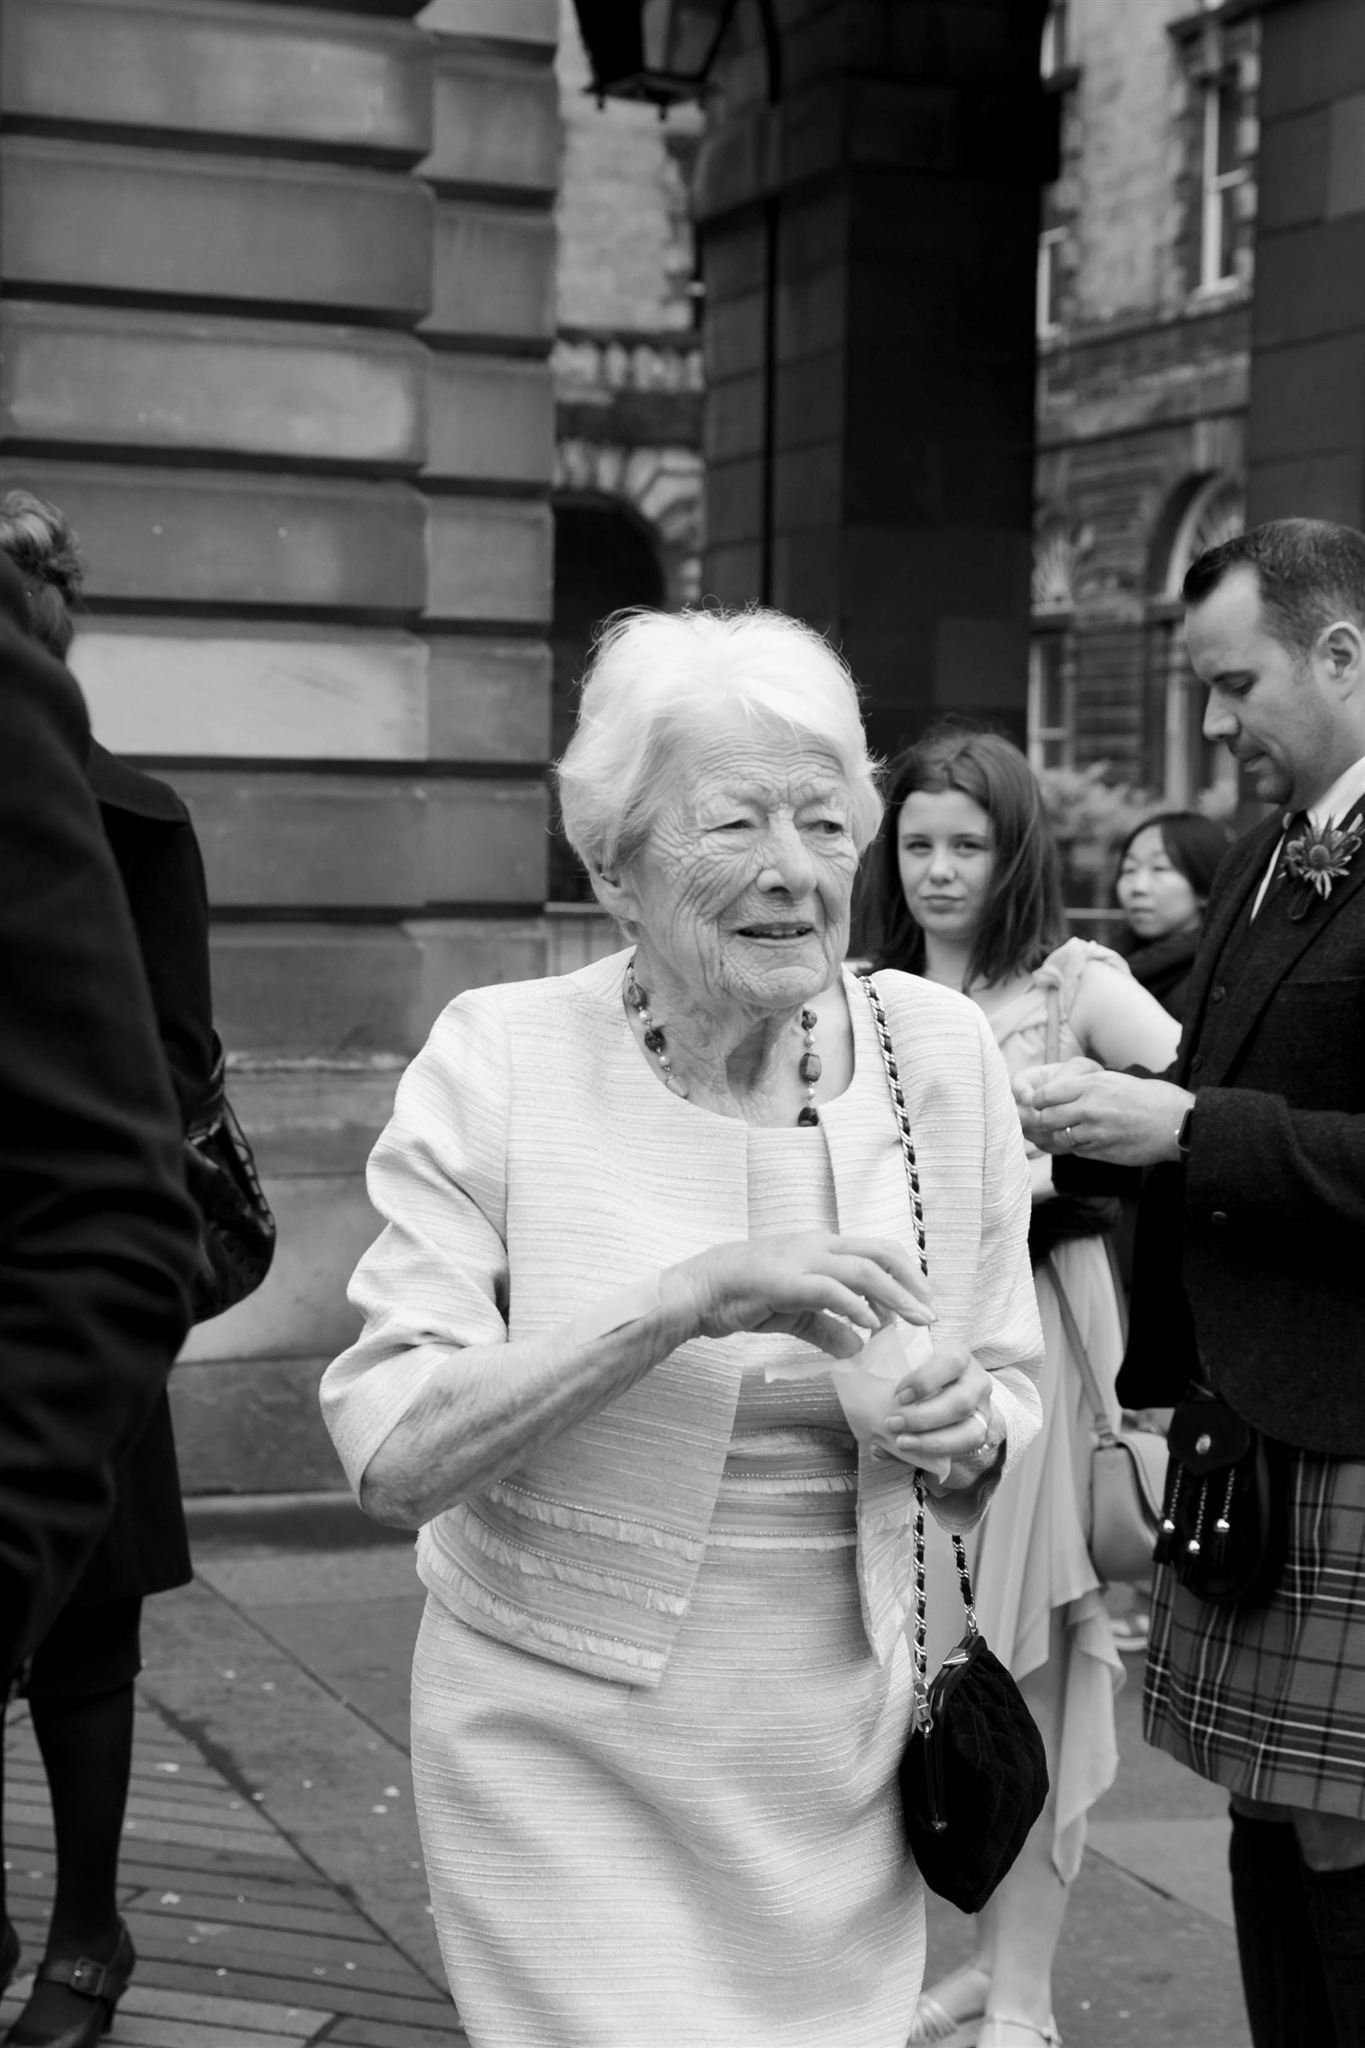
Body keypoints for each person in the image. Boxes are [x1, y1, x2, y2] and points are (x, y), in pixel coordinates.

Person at [321, 606, 1045, 2048]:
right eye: (734, 823)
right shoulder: (504, 1056)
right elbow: (394, 1452)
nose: (795, 870)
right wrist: (678, 1305)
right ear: (615, 866)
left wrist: (965, 1428)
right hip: (560, 1751)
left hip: (838, 1756)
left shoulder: (939, 1053)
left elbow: (1009, 1382)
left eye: (826, 824)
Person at [1014, 518, 1365, 2048]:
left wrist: (1183, 1128)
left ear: (1340, 653)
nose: (1215, 726)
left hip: (1350, 1423)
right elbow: (1210, 1105)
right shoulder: (1279, 854)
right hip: (1251, 1418)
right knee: (1268, 1816)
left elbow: (1218, 1122)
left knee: (1344, 1833)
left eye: (1235, 685)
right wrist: (1082, 1136)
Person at [860, 724, 1179, 2048]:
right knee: (911, 1662)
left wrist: (1076, 1161)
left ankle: (1026, 1993)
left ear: (1016, 853)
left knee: (1030, 1660)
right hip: (898, 1342)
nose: (938, 869)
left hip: (1041, 1326)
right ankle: (979, 1966)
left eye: (967, 844)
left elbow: (1196, 1104)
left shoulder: (1072, 982)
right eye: (916, 842)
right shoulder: (858, 990)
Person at [0, 492, 216, 2048]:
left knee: (86, 1624)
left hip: (64, 1261)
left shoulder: (135, 816)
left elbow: (181, 1062)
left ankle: (90, 1927)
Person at [1113, 809, 1235, 1021]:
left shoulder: (1217, 980)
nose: (1138, 887)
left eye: (1159, 868)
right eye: (1129, 869)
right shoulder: (1117, 961)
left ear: (1205, 886)